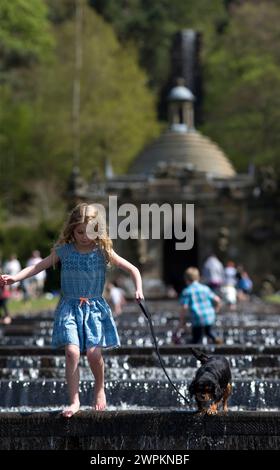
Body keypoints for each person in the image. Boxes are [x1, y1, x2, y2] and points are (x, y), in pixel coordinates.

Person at [0, 203, 144, 417]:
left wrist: (139, 289)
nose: (84, 237)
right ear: (72, 230)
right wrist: (15, 278)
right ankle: (74, 400)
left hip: (94, 308)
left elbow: (133, 269)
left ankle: (99, 388)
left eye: (89, 232)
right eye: (79, 232)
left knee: (95, 355)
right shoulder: (64, 251)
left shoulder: (103, 251)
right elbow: (37, 267)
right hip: (69, 307)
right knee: (72, 352)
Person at [177, 267, 222, 345]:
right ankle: (216, 340)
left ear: (186, 279)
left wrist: (182, 321)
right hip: (209, 315)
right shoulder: (205, 288)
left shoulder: (187, 291)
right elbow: (217, 300)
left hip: (197, 317)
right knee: (209, 331)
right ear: (198, 277)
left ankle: (196, 347)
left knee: (196, 337)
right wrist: (216, 310)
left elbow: (184, 307)